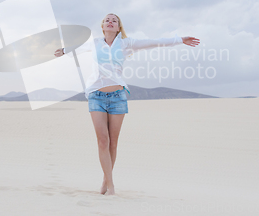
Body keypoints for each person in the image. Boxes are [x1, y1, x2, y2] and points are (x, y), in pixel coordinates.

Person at [54, 13, 200, 196]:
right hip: (96, 96)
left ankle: (105, 180)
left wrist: (180, 40)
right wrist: (64, 50)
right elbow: (76, 49)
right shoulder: (95, 43)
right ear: (103, 26)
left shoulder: (126, 44)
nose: (110, 21)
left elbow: (155, 42)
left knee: (113, 143)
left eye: (114, 20)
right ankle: (111, 185)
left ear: (118, 27)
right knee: (102, 141)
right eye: (107, 19)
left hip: (117, 97)